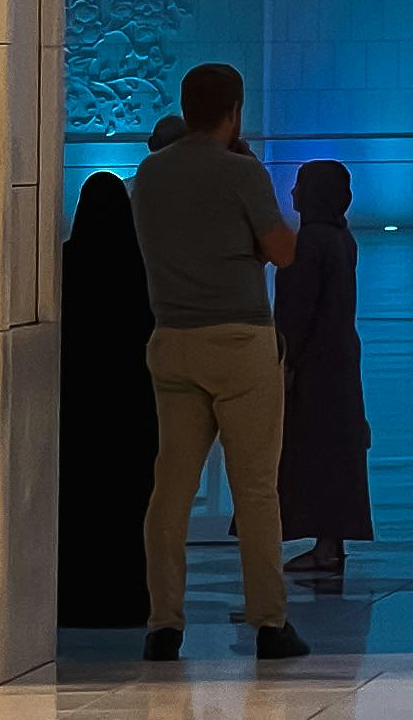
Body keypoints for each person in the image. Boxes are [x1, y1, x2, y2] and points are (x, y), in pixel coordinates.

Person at [128, 59, 308, 663]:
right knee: (254, 489)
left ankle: (163, 623)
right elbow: (283, 251)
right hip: (239, 342)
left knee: (169, 490)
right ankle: (269, 622)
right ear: (234, 111)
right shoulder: (241, 172)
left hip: (173, 341)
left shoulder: (149, 174)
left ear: (185, 108)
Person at [57, 171, 159, 628]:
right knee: (128, 505)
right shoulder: (144, 268)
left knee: (79, 504)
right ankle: (130, 600)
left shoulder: (64, 265)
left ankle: (74, 599)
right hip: (131, 407)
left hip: (79, 407)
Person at [275, 159, 372, 585]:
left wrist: (284, 361)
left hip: (313, 366)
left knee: (312, 452)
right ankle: (331, 541)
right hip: (339, 359)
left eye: (300, 186)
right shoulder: (341, 238)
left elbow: (296, 312)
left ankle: (325, 545)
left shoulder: (309, 243)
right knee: (336, 453)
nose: (293, 193)